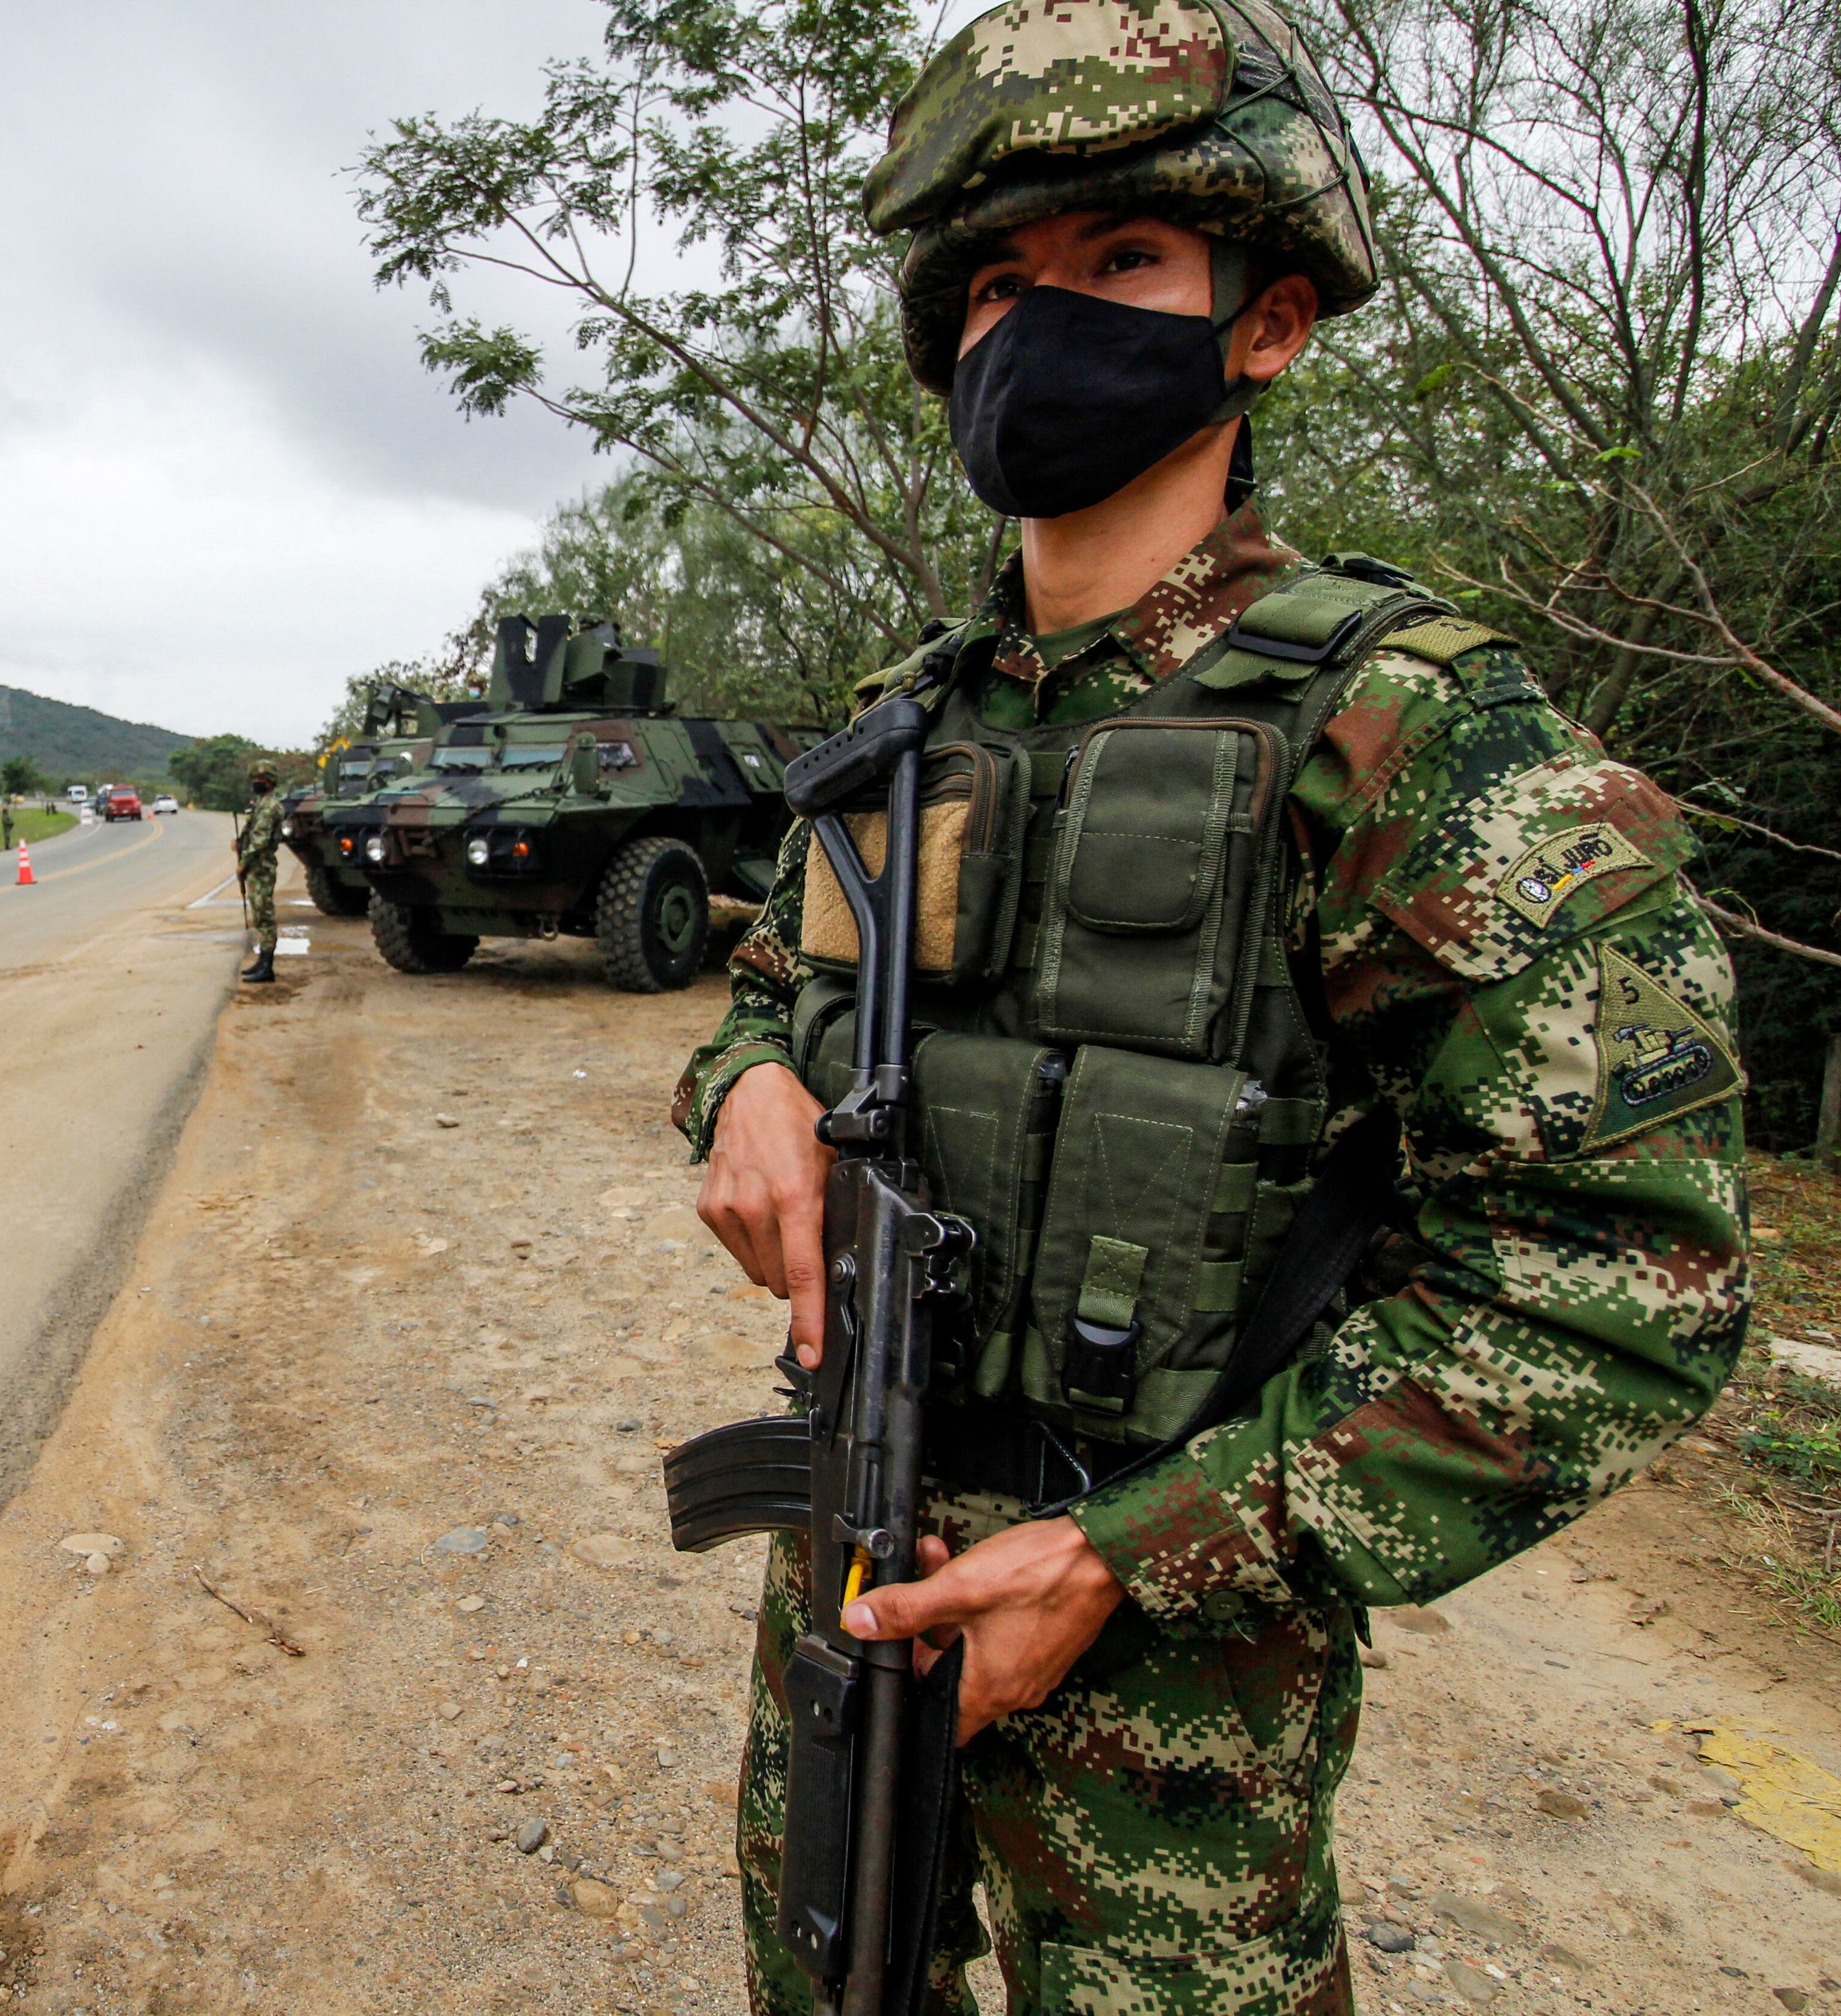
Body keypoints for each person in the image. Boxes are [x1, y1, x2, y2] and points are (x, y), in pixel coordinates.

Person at [668, 1, 1748, 2007]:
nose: (1039, 323)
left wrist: (1138, 1549)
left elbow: (1625, 1272)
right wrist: (744, 1094)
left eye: (1122, 264)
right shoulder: (910, 730)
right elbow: (765, 1002)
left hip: (1174, 1682)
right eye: (999, 280)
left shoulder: (1409, 729)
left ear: (1268, 324)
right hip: (853, 1553)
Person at [233, 760, 285, 983]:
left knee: (265, 917)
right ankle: (262, 962)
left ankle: (267, 967)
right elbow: (253, 835)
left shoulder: (270, 807)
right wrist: (240, 843)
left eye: (260, 781)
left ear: (270, 783)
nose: (256, 783)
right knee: (259, 915)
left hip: (261, 867)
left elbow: (261, 841)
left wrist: (243, 862)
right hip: (257, 866)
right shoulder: (262, 804)